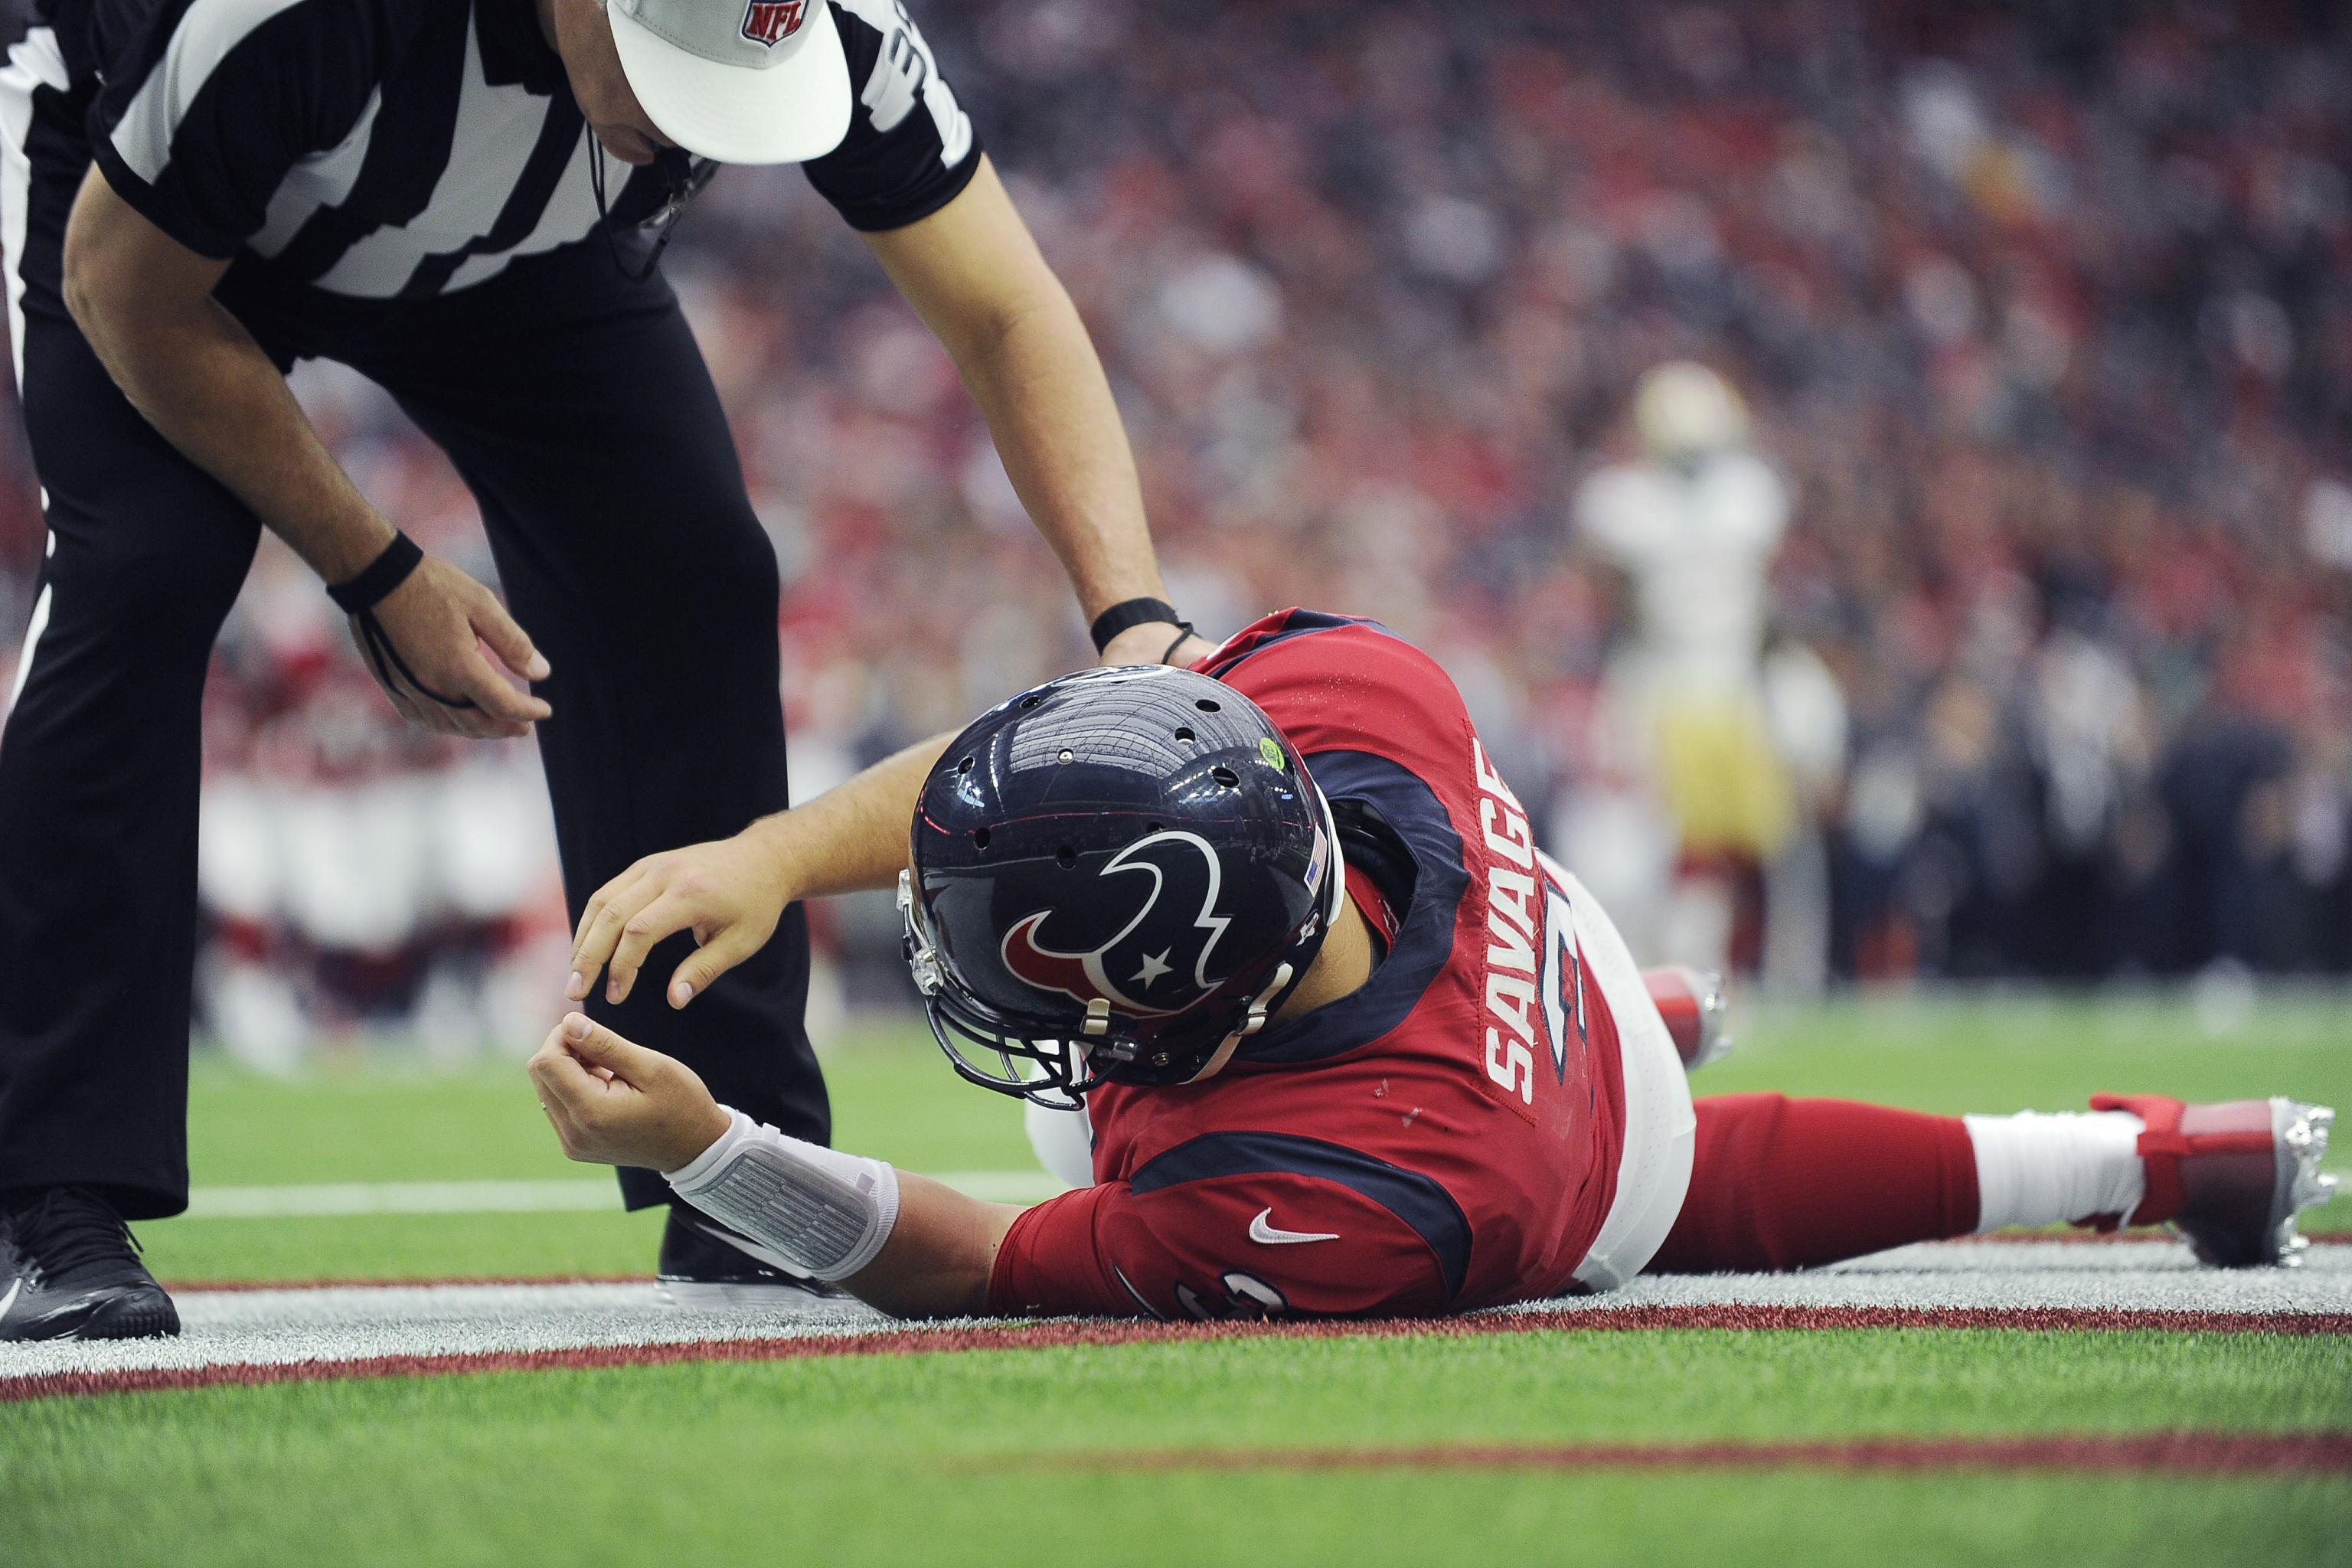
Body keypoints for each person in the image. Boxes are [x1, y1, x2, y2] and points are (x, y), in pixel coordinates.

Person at [0, 0, 1209, 1341]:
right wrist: (373, 565)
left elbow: (1002, 303)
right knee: (141, 572)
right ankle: (47, 1197)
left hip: (513, 253)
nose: (692, 132)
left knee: (686, 570)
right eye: (667, 69)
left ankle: (733, 1164)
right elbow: (124, 284)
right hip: (158, 231)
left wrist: (1133, 617)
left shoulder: (841, 26)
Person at [519, 611, 2333, 1320]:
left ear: (1190, 1015)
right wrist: (773, 856)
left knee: (1656, 1199)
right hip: (1561, 985)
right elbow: (1075, 745)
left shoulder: (1325, 1188)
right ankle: (2140, 1155)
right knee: (1658, 1132)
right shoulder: (1359, 695)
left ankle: (2131, 1159)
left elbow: (982, 1258)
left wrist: (709, 1152)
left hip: (1551, 1159)